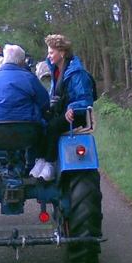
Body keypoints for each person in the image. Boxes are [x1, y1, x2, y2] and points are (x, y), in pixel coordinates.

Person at [30, 34, 94, 181]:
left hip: (75, 115)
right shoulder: (57, 70)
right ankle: (40, 159)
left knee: (53, 126)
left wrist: (72, 108)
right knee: (38, 121)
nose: (48, 56)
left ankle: (50, 163)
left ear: (62, 52)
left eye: (51, 52)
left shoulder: (77, 73)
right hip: (61, 111)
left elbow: (85, 99)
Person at [0, 44, 50, 141]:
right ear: (22, 61)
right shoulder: (31, 79)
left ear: (5, 59)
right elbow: (45, 103)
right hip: (26, 132)